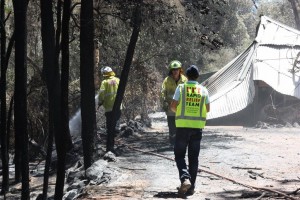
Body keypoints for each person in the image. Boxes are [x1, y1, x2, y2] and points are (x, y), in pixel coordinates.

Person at [170, 65, 210, 196]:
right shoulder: (203, 90)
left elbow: (173, 106)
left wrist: (181, 113)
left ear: (186, 76)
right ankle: (191, 188)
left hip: (182, 127)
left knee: (179, 155)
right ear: (198, 76)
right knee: (194, 158)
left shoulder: (181, 88)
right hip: (197, 128)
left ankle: (185, 178)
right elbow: (208, 109)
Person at [161, 60, 188, 146]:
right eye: (173, 69)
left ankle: (181, 142)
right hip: (170, 108)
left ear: (180, 70)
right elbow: (162, 92)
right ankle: (172, 143)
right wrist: (164, 102)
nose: (175, 71)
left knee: (181, 126)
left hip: (181, 108)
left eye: (177, 69)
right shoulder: (167, 80)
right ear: (171, 70)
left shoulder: (185, 80)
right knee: (172, 126)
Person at [98, 66, 121, 152]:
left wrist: (100, 102)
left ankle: (110, 147)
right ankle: (113, 145)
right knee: (115, 126)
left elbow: (101, 93)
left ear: (104, 74)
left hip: (109, 108)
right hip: (118, 107)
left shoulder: (105, 82)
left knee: (109, 129)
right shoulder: (118, 80)